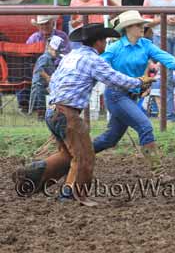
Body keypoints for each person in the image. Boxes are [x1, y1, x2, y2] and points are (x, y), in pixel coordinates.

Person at [11, 23, 151, 205]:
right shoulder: (93, 60)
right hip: (67, 113)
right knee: (85, 156)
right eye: (105, 41)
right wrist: (139, 82)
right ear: (98, 42)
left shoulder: (71, 56)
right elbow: (114, 78)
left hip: (53, 109)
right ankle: (70, 194)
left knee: (69, 155)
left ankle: (32, 174)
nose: (106, 45)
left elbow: (53, 82)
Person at [93, 10, 175, 180]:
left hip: (130, 96)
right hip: (116, 95)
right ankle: (159, 173)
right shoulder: (115, 48)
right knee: (145, 126)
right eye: (139, 25)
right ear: (128, 28)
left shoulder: (145, 44)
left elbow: (167, 59)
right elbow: (97, 65)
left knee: (110, 139)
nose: (142, 27)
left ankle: (76, 153)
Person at [17, 15, 71, 111]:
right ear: (38, 26)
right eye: (42, 24)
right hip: (36, 71)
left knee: (44, 59)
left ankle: (40, 110)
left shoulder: (62, 36)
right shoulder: (33, 38)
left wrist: (52, 61)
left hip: (57, 69)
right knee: (41, 63)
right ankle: (39, 108)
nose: (45, 26)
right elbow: (26, 57)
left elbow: (67, 56)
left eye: (47, 23)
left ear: (53, 23)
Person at [29, 35, 62, 120]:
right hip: (39, 83)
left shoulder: (51, 59)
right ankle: (40, 115)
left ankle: (51, 113)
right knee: (41, 99)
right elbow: (39, 69)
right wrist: (48, 78)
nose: (57, 54)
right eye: (56, 51)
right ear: (50, 48)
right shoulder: (45, 57)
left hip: (47, 84)